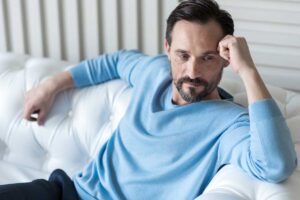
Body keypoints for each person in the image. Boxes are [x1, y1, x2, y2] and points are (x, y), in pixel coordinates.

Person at [0, 0, 297, 199]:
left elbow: (274, 165)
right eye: (182, 55)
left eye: (207, 58)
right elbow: (114, 62)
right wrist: (51, 85)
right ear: (167, 48)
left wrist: (248, 70)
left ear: (224, 58)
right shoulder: (154, 71)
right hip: (69, 191)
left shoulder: (230, 123)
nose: (192, 71)